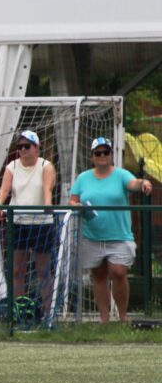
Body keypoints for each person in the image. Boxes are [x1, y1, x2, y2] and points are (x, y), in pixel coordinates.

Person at [69, 137, 152, 323]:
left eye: (105, 152)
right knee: (98, 274)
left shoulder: (121, 174)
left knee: (118, 272)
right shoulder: (83, 178)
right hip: (92, 235)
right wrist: (77, 206)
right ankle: (104, 319)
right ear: (92, 156)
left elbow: (133, 183)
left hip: (119, 235)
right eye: (98, 153)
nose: (102, 156)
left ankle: (123, 316)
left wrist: (143, 183)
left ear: (111, 154)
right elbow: (73, 200)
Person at [0, 130, 57, 317]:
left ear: (36, 148)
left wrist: (47, 205)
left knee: (43, 271)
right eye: (20, 146)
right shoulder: (12, 166)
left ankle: (49, 314)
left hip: (41, 224)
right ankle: (18, 311)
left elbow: (47, 189)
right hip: (18, 222)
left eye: (27, 146)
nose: (23, 150)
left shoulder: (46, 166)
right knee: (17, 270)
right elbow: (4, 190)